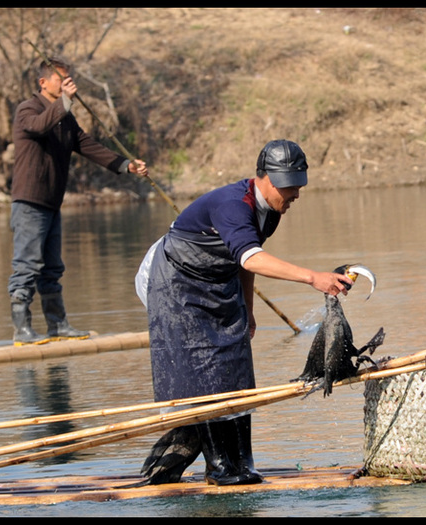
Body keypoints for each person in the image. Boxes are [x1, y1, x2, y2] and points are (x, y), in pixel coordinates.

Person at [143, 139, 355, 486]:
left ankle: (242, 462)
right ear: (266, 179)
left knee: (236, 368)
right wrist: (312, 277)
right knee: (204, 372)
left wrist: (248, 310)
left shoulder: (271, 211)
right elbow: (250, 257)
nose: (295, 195)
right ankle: (221, 468)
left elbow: (246, 261)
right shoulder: (233, 204)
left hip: (217, 282)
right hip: (174, 284)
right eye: (289, 187)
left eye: (299, 186)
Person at [8, 57, 149, 346]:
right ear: (43, 82)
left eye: (69, 78)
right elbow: (37, 127)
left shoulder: (65, 117)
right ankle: (22, 330)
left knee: (53, 267)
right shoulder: (28, 109)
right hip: (29, 201)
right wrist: (65, 103)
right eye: (61, 78)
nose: (68, 83)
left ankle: (57, 325)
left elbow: (88, 146)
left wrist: (125, 165)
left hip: (52, 202)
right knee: (27, 265)